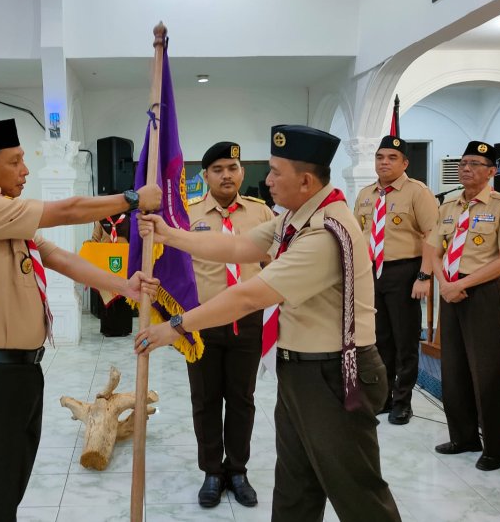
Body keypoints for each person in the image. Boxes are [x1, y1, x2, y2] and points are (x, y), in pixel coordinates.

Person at [135, 125, 401, 521]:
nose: (267, 179)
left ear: (306, 180)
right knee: (295, 489)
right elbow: (237, 245)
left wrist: (174, 326)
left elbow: (248, 296)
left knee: (357, 493)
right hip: (302, 371)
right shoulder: (296, 218)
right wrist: (170, 236)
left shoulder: (325, 233)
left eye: (276, 172)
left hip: (333, 375)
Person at [0, 118, 161, 522]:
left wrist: (123, 286)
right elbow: (69, 210)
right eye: (15, 162)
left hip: (16, 374)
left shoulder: (4, 216)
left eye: (24, 160)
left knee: (5, 485)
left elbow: (58, 257)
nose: (25, 170)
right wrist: (132, 197)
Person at [185, 141, 274, 508]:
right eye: (218, 169)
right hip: (202, 321)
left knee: (241, 397)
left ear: (243, 173)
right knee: (205, 399)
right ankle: (211, 471)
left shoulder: (261, 213)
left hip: (247, 319)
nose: (227, 175)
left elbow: (276, 263)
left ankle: (237, 469)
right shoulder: (187, 215)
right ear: (205, 175)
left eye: (233, 168)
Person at [428, 140, 500, 471]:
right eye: (463, 162)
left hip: (480, 292)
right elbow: (434, 252)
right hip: (450, 291)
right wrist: (444, 283)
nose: (465, 168)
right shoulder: (449, 206)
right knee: (452, 368)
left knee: (487, 371)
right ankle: (464, 436)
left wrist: (460, 285)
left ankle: (494, 448)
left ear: (491, 172)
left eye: (475, 164)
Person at [353, 136, 438, 425]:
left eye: (391, 157)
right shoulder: (366, 194)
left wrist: (424, 276)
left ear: (405, 163)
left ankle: (403, 401)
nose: (384, 162)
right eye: (380, 157)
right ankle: (384, 397)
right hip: (371, 273)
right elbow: (357, 235)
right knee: (378, 341)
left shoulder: (417, 192)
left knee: (404, 341)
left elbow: (433, 237)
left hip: (404, 272)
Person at [90, 213, 134, 336]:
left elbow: (133, 241)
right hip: (106, 264)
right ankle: (109, 329)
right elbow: (94, 240)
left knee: (123, 293)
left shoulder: (128, 220)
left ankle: (123, 328)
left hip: (123, 264)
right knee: (108, 293)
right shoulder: (101, 220)